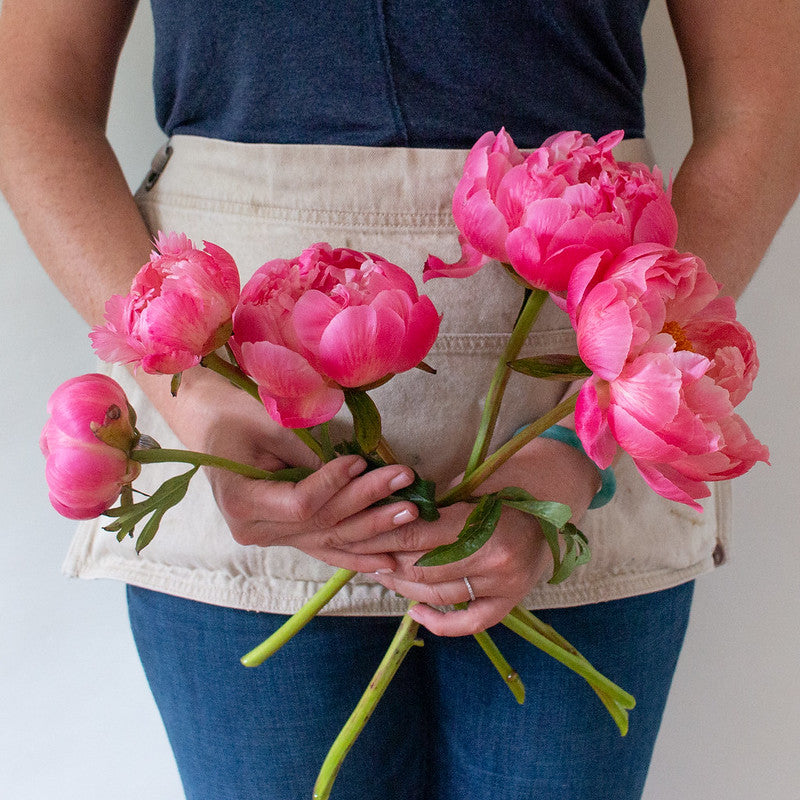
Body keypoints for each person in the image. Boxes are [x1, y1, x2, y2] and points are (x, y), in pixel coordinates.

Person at [1, 2, 798, 798]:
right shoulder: (214, 407)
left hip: (586, 391)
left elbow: (769, 103)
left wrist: (584, 445)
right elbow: (28, 96)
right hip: (239, 399)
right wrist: (203, 406)